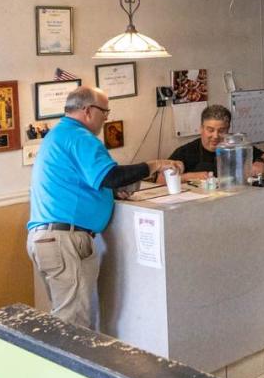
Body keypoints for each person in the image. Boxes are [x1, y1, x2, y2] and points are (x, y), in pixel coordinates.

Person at [27, 86, 182, 328]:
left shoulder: (59, 135)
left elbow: (88, 182)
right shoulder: (80, 137)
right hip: (65, 239)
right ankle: (73, 366)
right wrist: (155, 165)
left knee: (65, 318)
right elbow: (110, 176)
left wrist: (109, 194)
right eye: (105, 112)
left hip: (48, 238)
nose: (106, 118)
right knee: (74, 323)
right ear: (88, 111)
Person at [166, 104, 264, 181]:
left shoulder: (237, 147)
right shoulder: (185, 152)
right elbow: (160, 180)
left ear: (228, 129)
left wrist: (260, 162)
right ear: (201, 129)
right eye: (210, 130)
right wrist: (188, 177)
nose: (215, 136)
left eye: (221, 131)